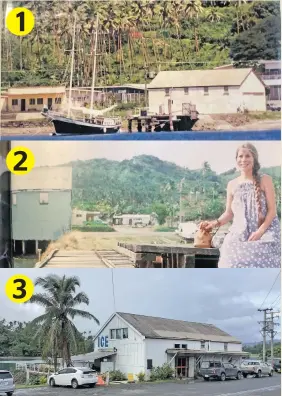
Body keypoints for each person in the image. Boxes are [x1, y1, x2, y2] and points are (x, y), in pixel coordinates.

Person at [200, 143, 280, 268]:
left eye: (247, 156)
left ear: (254, 158)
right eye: (240, 156)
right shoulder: (232, 184)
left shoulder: (265, 179)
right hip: (240, 232)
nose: (243, 160)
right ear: (236, 159)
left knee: (262, 254)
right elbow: (229, 213)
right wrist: (213, 223)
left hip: (265, 231)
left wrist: (260, 231)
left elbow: (272, 211)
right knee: (229, 253)